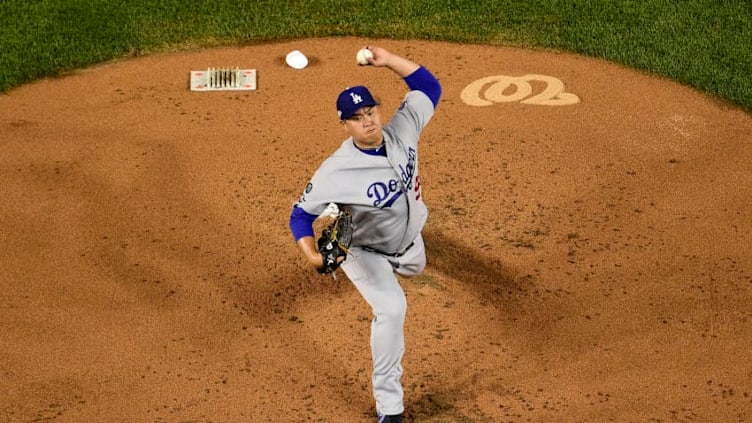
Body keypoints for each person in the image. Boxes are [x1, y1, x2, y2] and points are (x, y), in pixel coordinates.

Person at [288, 46, 442, 423]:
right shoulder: (335, 171)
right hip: (364, 250)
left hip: (408, 242)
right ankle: (391, 408)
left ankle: (405, 248)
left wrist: (388, 61)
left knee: (416, 266)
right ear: (346, 126)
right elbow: (299, 217)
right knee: (391, 308)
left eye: (370, 112)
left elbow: (429, 87)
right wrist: (311, 255)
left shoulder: (402, 129)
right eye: (357, 118)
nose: (368, 121)